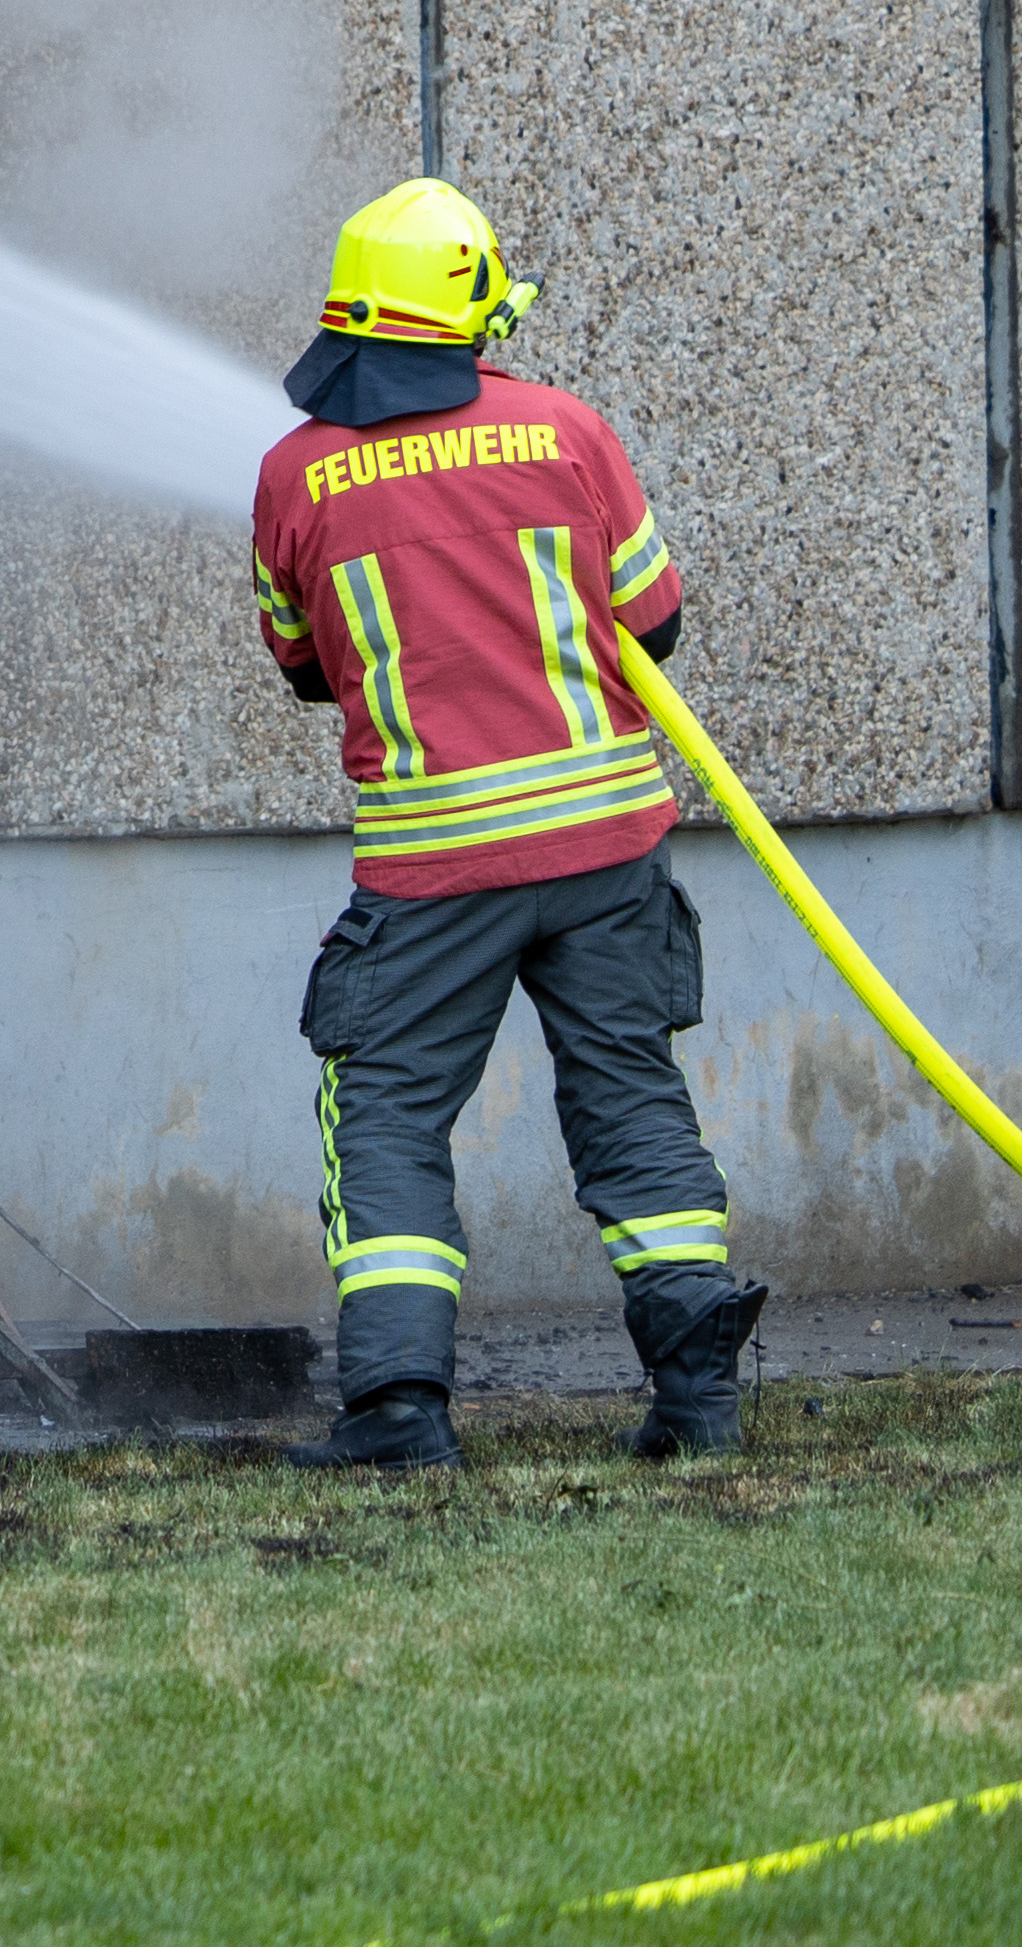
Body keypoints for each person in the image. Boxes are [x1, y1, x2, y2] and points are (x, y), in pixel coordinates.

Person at [250, 177, 766, 1471]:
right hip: (608, 847)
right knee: (630, 1092)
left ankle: (400, 1411)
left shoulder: (294, 475)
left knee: (383, 1112)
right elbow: (654, 626)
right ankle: (697, 1388)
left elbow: (307, 668)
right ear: (475, 314)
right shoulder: (567, 433)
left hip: (433, 873)